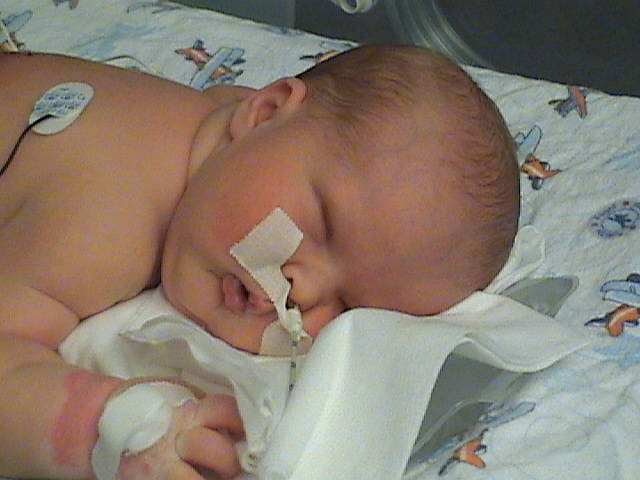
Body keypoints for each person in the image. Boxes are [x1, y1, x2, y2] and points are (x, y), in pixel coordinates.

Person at [0, 44, 519, 480]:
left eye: (348, 306)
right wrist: (110, 428)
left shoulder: (234, 127)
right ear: (265, 110)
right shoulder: (108, 225)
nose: (303, 290)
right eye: (324, 226)